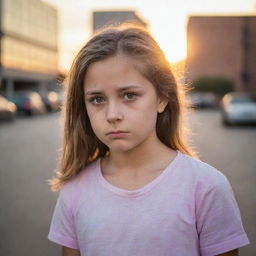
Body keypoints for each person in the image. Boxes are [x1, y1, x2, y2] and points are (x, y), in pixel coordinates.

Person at [47, 23, 250, 256]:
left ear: (162, 98)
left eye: (129, 95)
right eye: (97, 99)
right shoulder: (75, 189)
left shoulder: (206, 187)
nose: (113, 115)